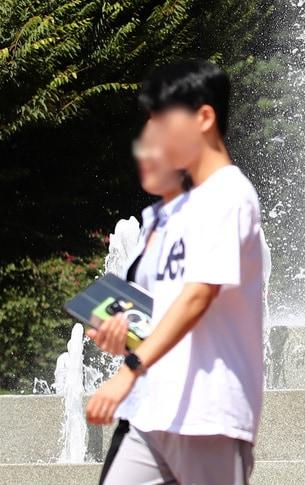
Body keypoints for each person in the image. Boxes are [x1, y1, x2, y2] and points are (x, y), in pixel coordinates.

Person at [86, 59, 265, 485]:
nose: (155, 136)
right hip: (153, 412)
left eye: (164, 122)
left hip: (209, 414)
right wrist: (122, 332)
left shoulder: (230, 194)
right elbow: (163, 310)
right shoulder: (172, 213)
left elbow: (199, 296)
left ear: (204, 118)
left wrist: (129, 369)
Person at [97, 119, 192, 484]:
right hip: (145, 407)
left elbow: (194, 308)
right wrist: (117, 333)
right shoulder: (150, 226)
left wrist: (130, 368)